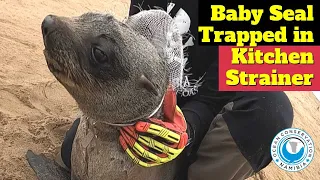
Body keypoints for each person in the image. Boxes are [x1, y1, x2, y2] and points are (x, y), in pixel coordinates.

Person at [60, 0, 294, 179]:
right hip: (154, 98)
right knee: (69, 151)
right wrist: (145, 117)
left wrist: (182, 133)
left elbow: (212, 98)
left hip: (208, 119)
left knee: (272, 110)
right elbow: (131, 49)